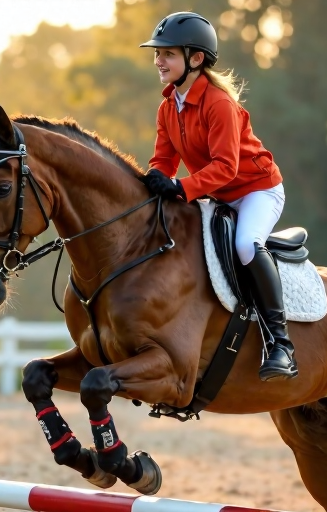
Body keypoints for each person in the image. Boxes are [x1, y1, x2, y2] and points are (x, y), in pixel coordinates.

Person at [138, 12, 297, 381]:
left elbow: (226, 166)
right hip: (216, 193)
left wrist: (180, 187)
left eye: (168, 54)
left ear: (195, 59)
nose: (159, 60)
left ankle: (281, 344)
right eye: (157, 54)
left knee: (245, 244)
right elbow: (163, 159)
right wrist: (154, 181)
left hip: (257, 190)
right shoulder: (167, 107)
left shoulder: (218, 103)